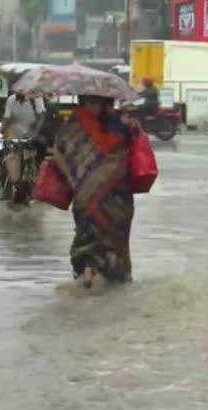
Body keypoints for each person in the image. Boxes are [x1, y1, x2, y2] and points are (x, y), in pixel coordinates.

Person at [50, 95, 136, 287]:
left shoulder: (115, 121)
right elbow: (58, 152)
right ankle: (89, 273)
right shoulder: (74, 125)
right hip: (87, 193)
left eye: (99, 102)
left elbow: (125, 152)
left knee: (113, 236)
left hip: (114, 194)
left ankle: (108, 275)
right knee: (89, 235)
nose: (96, 107)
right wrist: (72, 180)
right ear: (83, 102)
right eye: (91, 102)